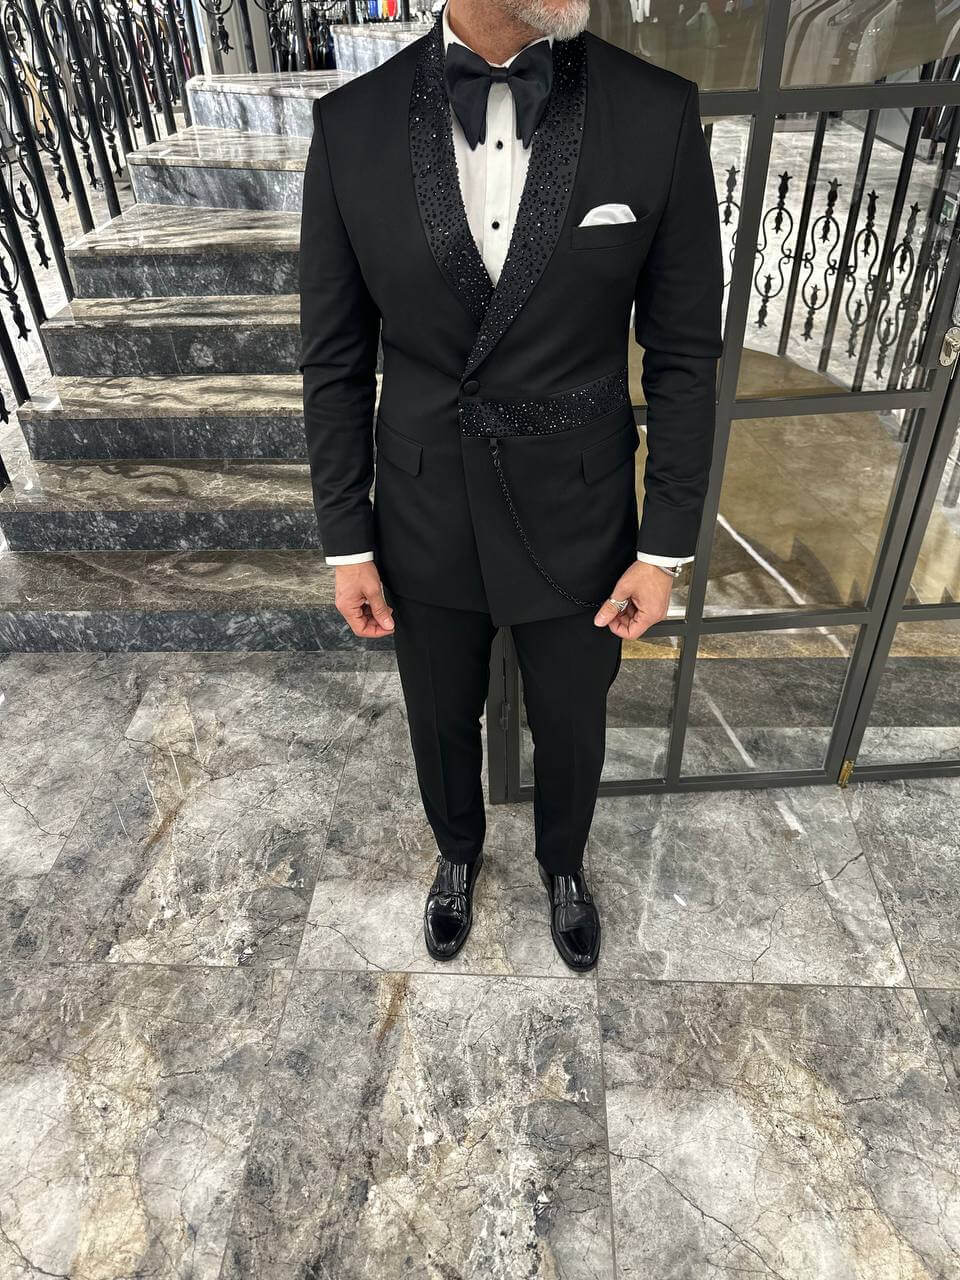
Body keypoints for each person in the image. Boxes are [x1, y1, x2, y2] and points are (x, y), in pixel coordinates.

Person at [298, 0, 723, 972]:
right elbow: (333, 359)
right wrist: (347, 540)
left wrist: (664, 546)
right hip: (421, 510)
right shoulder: (351, 126)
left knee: (573, 721)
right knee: (438, 716)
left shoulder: (653, 112)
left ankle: (564, 864)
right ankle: (457, 852)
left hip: (580, 515)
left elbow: (685, 354)